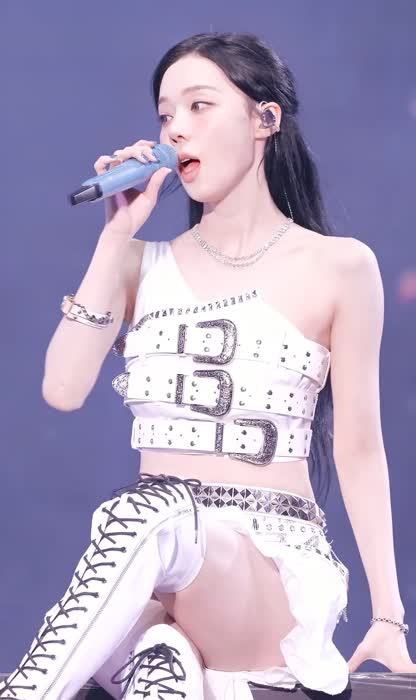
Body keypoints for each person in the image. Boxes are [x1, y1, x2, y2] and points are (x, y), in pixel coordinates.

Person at [1, 31, 415, 700]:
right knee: (157, 658)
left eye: (199, 106)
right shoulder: (137, 263)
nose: (176, 129)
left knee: (149, 511)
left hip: (264, 575)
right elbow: (62, 388)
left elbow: (361, 449)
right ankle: (162, 661)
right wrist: (116, 234)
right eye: (165, 114)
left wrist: (389, 618)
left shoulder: (340, 266)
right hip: (156, 579)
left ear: (264, 119)